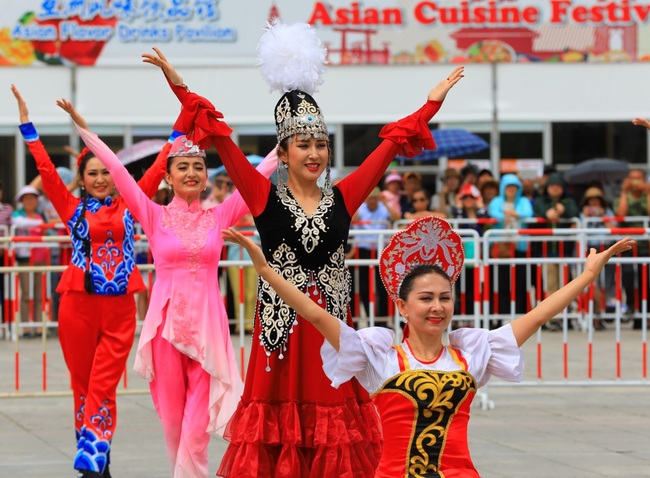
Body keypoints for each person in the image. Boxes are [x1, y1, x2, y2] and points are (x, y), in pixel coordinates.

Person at [142, 23, 464, 476]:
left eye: (321, 145)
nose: (314, 153)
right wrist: (178, 84)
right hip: (280, 336)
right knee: (280, 436)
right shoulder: (261, 196)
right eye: (303, 144)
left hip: (331, 335)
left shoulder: (345, 197)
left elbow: (390, 145)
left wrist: (431, 104)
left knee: (337, 438)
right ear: (285, 150)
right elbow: (219, 137)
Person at [222, 216, 634, 478]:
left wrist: (586, 277)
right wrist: (265, 272)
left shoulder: (470, 351)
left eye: (445, 297)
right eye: (426, 298)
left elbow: (539, 315)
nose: (437, 307)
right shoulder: (380, 354)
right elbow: (317, 316)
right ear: (401, 306)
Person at [56, 97, 278, 478]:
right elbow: (114, 168)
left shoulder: (220, 214)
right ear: (168, 177)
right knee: (173, 423)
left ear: (206, 176)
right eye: (183, 167)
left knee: (196, 429)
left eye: (198, 167)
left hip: (208, 332)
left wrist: (283, 146)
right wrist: (83, 128)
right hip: (164, 333)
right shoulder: (152, 214)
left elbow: (256, 178)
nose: (191, 173)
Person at [12, 84, 169, 478]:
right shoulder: (71, 208)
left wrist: (182, 126)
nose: (100, 178)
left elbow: (157, 167)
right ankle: (98, 466)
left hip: (118, 309)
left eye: (105, 172)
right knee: (83, 385)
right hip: (77, 306)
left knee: (103, 383)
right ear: (82, 179)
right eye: (92, 173)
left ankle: (93, 451)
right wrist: (27, 126)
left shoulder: (133, 201)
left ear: (115, 176)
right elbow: (46, 171)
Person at [488, 173, 534, 319]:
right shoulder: (496, 201)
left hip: (519, 247)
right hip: (501, 247)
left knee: (520, 281)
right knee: (501, 282)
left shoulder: (523, 201)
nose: (511, 190)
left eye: (514, 187)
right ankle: (501, 313)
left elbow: (528, 212)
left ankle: (520, 313)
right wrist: (507, 215)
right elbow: (493, 213)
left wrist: (515, 214)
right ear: (503, 188)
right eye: (509, 187)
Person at [351, 187, 397, 322]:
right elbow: (353, 219)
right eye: (370, 197)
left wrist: (386, 203)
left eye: (375, 197)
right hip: (362, 251)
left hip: (380, 251)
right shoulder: (361, 208)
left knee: (382, 287)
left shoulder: (383, 208)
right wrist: (360, 202)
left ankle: (381, 320)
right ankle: (358, 320)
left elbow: (396, 217)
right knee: (361, 288)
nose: (372, 200)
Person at [613, 168, 650, 328]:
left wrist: (648, 193)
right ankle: (631, 306)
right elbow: (621, 215)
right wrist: (623, 192)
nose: (635, 181)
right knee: (627, 275)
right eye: (632, 178)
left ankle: (645, 314)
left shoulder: (647, 195)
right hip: (628, 244)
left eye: (638, 178)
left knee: (646, 280)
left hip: (646, 245)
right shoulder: (622, 196)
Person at [11, 185, 47, 337]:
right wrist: (40, 224)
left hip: (40, 257)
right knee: (25, 293)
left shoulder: (40, 214)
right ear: (22, 200)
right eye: (27, 198)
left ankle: (39, 327)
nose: (30, 201)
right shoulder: (17, 214)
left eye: (33, 198)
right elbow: (20, 223)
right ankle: (25, 327)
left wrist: (42, 223)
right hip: (25, 257)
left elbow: (47, 228)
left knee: (39, 293)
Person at [580, 187, 616, 330]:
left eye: (597, 200)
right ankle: (596, 315)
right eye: (591, 200)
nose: (594, 203)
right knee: (592, 283)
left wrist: (603, 218)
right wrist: (587, 217)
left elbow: (614, 228)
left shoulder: (607, 212)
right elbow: (579, 228)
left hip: (606, 249)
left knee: (606, 284)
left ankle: (600, 315)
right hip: (590, 250)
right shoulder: (583, 214)